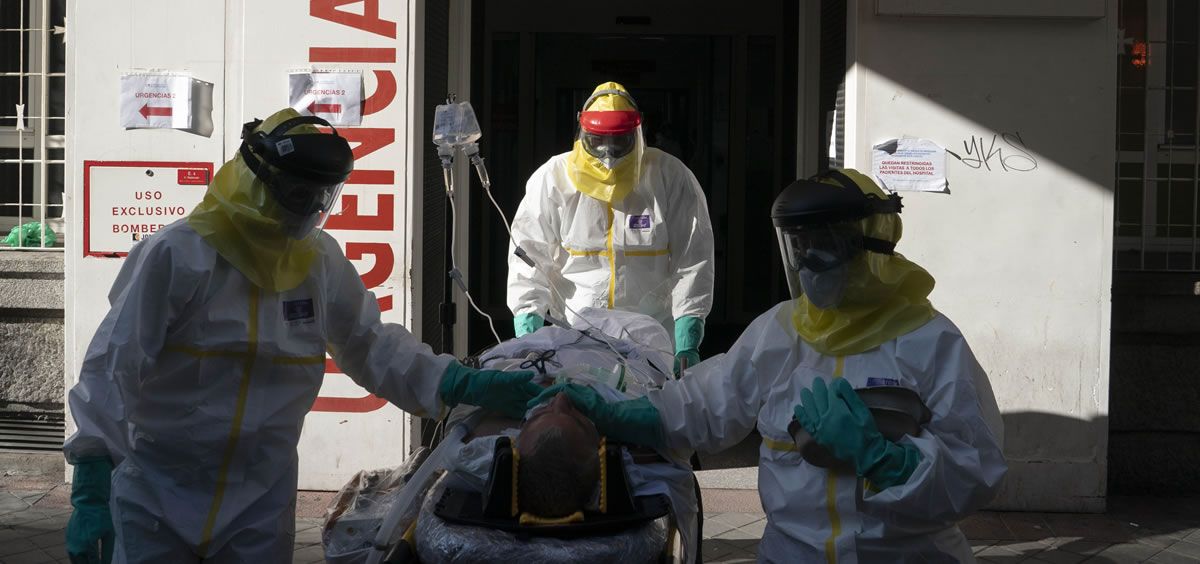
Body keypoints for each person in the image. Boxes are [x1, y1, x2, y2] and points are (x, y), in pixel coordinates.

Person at [63, 108, 540, 564]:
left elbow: (370, 345)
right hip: (159, 490)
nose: (311, 209)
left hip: (259, 499)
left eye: (321, 196)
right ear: (256, 183)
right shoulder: (178, 254)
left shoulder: (319, 261)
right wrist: (91, 478)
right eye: (299, 193)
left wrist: (455, 382)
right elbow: (113, 365)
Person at [531, 169, 1007, 562]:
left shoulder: (931, 342)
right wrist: (617, 411)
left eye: (824, 243)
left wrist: (883, 458)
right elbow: (701, 407)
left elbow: (977, 472)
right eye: (798, 245)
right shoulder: (780, 332)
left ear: (873, 244)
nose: (807, 262)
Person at [506, 81, 715, 374]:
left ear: (637, 134)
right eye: (597, 141)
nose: (608, 155)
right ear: (582, 133)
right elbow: (529, 259)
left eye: (619, 142)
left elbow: (693, 260)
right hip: (573, 342)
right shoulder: (552, 180)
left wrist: (687, 341)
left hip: (652, 345)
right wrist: (529, 336)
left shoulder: (670, 177)